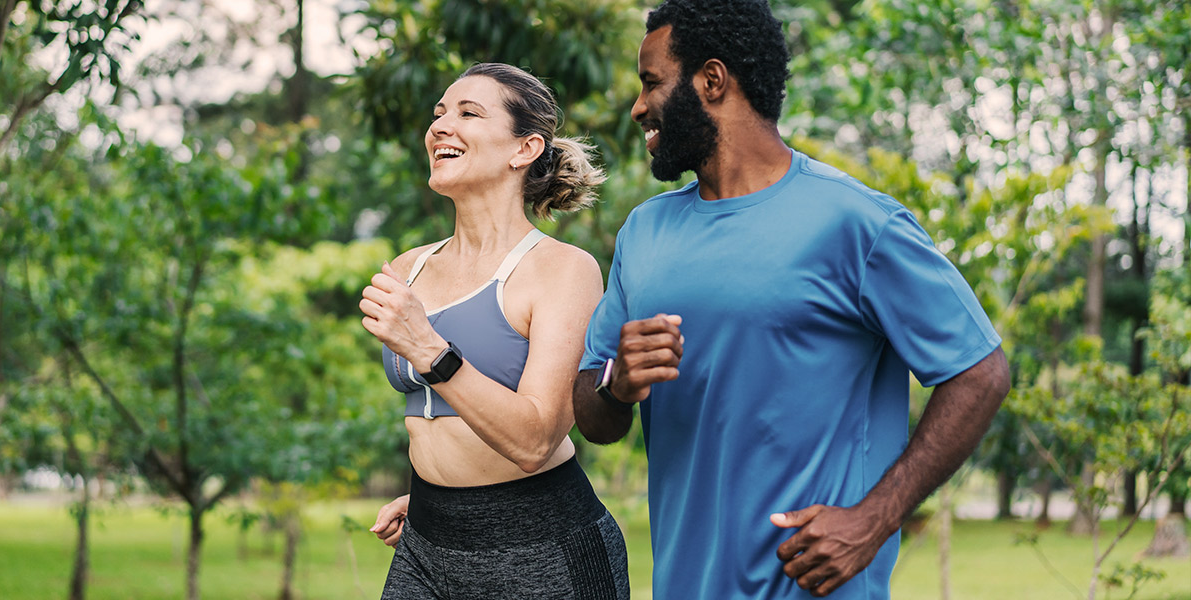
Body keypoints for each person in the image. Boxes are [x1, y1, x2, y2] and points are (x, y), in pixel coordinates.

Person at [571, 1, 1012, 598]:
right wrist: (616, 383)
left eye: (652, 82)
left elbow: (980, 373)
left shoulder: (855, 222)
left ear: (711, 80)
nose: (638, 106)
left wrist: (874, 518)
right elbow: (592, 416)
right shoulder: (644, 233)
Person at [359, 62, 629, 599]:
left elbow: (535, 440)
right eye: (439, 113)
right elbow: (439, 421)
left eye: (468, 113)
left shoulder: (563, 269)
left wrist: (429, 348)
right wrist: (447, 503)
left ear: (524, 148)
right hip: (428, 540)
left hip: (542, 547)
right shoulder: (409, 266)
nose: (440, 126)